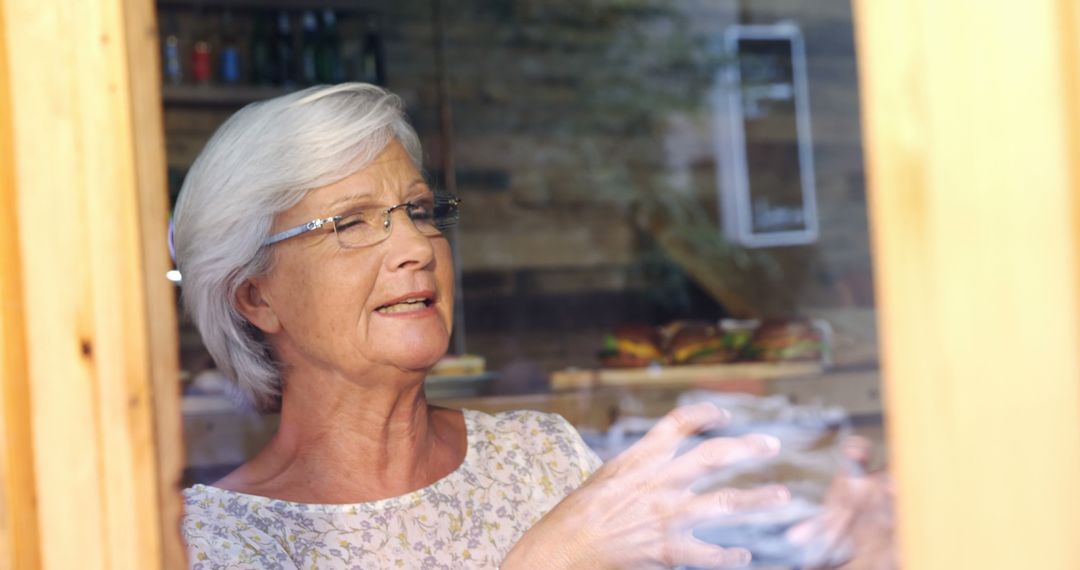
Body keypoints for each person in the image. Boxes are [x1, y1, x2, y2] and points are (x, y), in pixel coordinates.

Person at [174, 82, 857, 569]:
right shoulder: (215, 541)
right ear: (255, 297)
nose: (415, 246)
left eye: (417, 208)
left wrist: (838, 543)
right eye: (350, 223)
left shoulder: (540, 455)